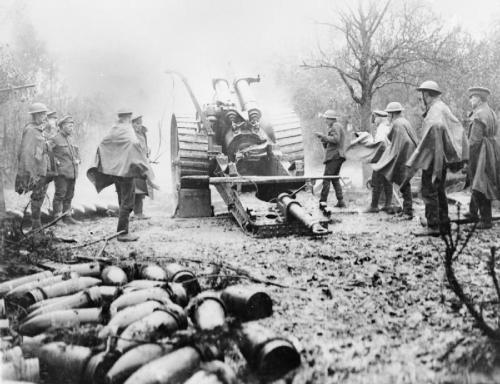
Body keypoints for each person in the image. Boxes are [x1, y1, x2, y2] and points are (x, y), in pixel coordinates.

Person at [406, 81, 468, 236]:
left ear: (426, 95)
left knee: (429, 189)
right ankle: (443, 223)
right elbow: (457, 128)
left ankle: (433, 225)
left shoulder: (435, 111)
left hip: (435, 157)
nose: (421, 99)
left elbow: (434, 131)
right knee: (439, 190)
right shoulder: (442, 107)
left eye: (422, 96)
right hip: (441, 156)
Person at [87, 109, 155, 242]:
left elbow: (103, 145)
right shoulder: (127, 130)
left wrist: (112, 163)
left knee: (122, 200)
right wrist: (145, 170)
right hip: (126, 173)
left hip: (116, 173)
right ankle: (123, 233)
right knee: (128, 202)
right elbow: (134, 145)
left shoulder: (114, 129)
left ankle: (122, 231)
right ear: (128, 118)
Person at [372, 102, 418, 219]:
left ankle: (408, 212)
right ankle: (407, 209)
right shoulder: (404, 121)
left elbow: (393, 139)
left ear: (392, 114)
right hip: (410, 155)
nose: (388, 116)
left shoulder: (397, 124)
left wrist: (396, 155)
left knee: (403, 182)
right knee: (404, 182)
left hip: (404, 156)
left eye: (388, 114)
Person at [464, 87, 500, 229]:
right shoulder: (490, 112)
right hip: (491, 149)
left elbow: (474, 141)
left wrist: (468, 158)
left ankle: (486, 220)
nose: (470, 100)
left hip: (481, 152)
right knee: (481, 181)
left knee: (480, 183)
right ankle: (473, 212)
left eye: (472, 97)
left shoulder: (479, 114)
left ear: (478, 99)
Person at [15, 102, 52, 229]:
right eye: (42, 114)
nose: (45, 117)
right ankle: (35, 225)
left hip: (42, 169)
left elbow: (41, 150)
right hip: (35, 171)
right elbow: (26, 153)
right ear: (35, 115)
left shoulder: (39, 130)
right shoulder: (31, 130)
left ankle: (37, 224)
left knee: (40, 196)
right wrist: (30, 173)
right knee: (37, 197)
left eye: (45, 114)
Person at [49, 115, 80, 226]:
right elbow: (48, 154)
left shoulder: (70, 139)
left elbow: (76, 152)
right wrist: (56, 162)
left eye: (72, 126)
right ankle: (57, 218)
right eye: (69, 126)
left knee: (69, 195)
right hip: (61, 173)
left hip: (72, 172)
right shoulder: (55, 138)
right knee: (60, 195)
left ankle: (67, 216)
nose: (71, 128)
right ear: (62, 126)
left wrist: (78, 159)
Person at [364, 110, 394, 213]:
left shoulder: (381, 128)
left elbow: (381, 145)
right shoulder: (388, 127)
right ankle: (388, 205)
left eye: (375, 118)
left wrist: (375, 159)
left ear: (380, 118)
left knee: (376, 181)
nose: (374, 120)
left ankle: (374, 206)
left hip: (382, 159)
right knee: (387, 182)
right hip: (389, 158)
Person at [315, 110, 346, 208]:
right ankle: (341, 201)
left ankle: (322, 202)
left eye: (326, 119)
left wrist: (323, 136)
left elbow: (336, 140)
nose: (325, 121)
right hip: (337, 156)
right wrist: (323, 139)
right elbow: (331, 142)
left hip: (334, 156)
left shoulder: (335, 126)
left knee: (326, 179)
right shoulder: (335, 126)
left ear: (331, 119)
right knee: (334, 179)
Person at [131, 114, 151, 220]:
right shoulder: (129, 135)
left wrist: (147, 151)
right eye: (137, 123)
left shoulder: (143, 134)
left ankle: (139, 212)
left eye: (140, 123)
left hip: (143, 166)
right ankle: (133, 213)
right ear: (132, 124)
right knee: (134, 190)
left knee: (141, 189)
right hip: (134, 167)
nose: (139, 126)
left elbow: (144, 147)